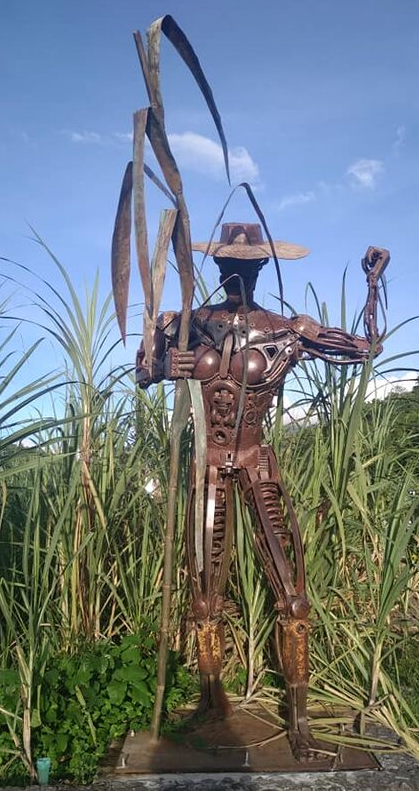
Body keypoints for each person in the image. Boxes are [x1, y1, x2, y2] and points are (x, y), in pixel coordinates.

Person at [136, 222, 389, 761]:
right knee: (204, 594)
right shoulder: (185, 324)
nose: (236, 275)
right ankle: (211, 705)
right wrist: (164, 364)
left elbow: (365, 351)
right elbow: (144, 370)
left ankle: (299, 721)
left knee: (293, 596)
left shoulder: (287, 329)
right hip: (206, 465)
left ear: (259, 269)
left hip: (258, 464)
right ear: (216, 268)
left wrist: (372, 287)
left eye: (245, 267)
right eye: (228, 266)